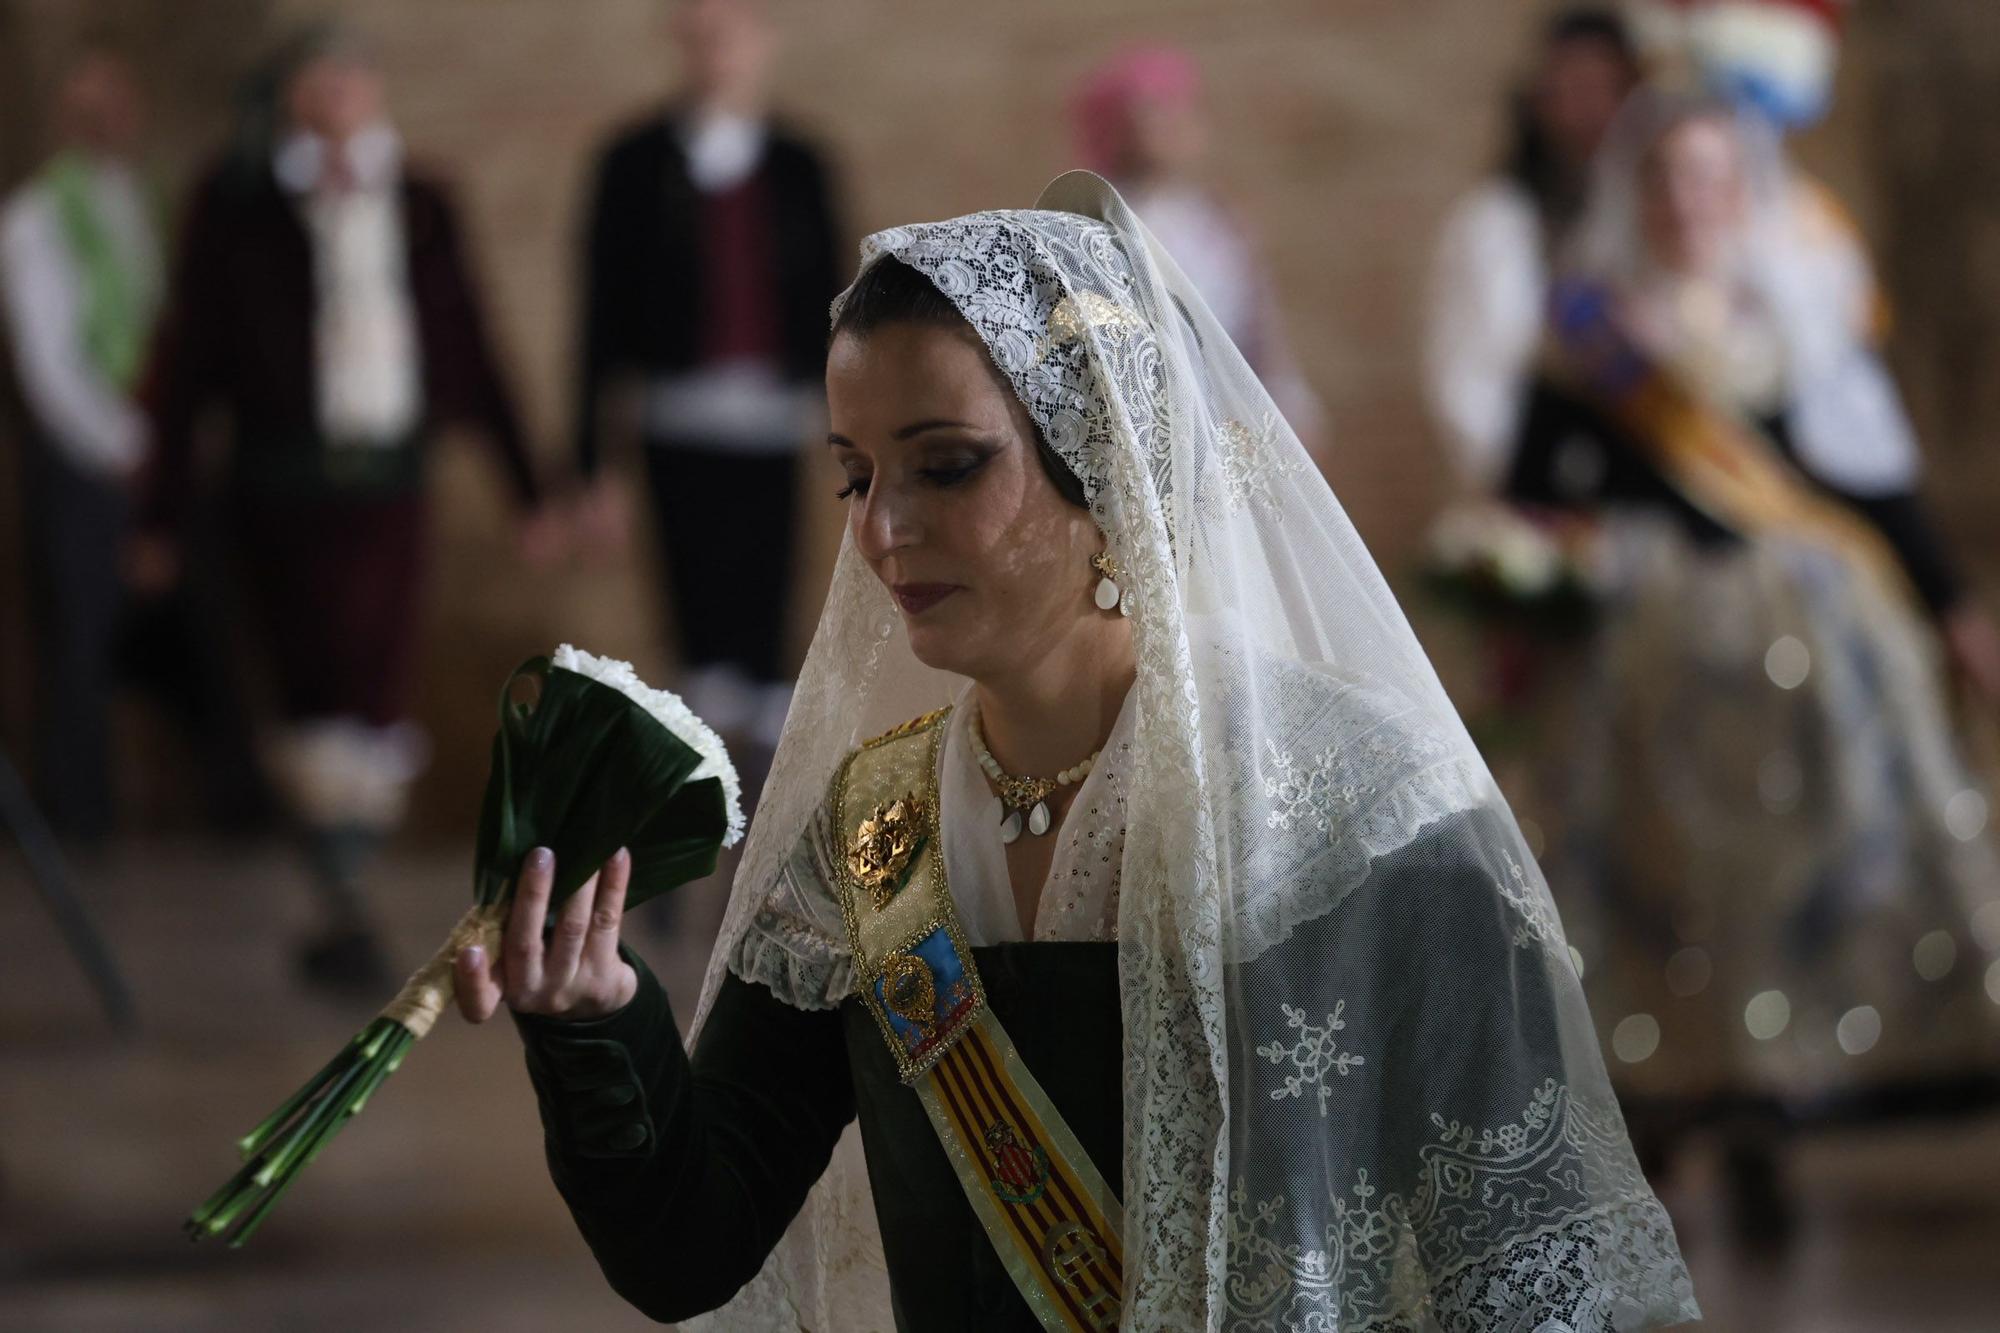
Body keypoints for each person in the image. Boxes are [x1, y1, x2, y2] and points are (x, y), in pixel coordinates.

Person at [455, 173, 1697, 1330]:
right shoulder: (870, 835)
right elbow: (688, 1244)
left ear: (1110, 469)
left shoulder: (1361, 817)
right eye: (853, 476)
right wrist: (593, 1020)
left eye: (945, 466)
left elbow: (1544, 1282)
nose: (883, 532)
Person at [1512, 91, 2000, 1232]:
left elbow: (1872, 481)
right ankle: (1680, 1102)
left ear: (1741, 189)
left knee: (1797, 880)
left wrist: (1953, 610)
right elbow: (1528, 488)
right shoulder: (1588, 325)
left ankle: (1784, 1096)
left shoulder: (1792, 312)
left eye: (1709, 177)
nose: (1688, 202)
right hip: (1647, 648)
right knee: (1665, 890)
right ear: (1636, 193)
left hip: (1810, 648)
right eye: (1666, 179)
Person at [135, 24, 552, 994]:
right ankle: (337, 895)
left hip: (391, 485)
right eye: (318, 84)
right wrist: (154, 514)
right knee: (306, 690)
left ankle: (347, 889)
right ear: (289, 98)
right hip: (280, 487)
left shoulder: (420, 203)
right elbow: (183, 361)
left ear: (372, 93)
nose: (337, 100)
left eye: (351, 81)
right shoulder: (234, 202)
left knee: (378, 688)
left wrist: (529, 490)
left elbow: (473, 348)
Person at [570, 0, 843, 768]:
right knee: (697, 619)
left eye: (735, 31)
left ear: (765, 40)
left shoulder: (800, 164)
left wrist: (855, 436)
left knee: (769, 612)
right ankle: (700, 791)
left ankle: (759, 801)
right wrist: (591, 464)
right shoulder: (634, 163)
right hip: (674, 420)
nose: (719, 49)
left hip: (775, 419)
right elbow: (599, 317)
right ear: (679, 41)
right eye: (702, 33)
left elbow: (837, 304)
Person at [1, 45, 163, 840]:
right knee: (79, 642)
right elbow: (49, 360)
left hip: (155, 452)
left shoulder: (140, 202)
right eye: (90, 108)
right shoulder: (37, 213)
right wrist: (124, 441)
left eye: (118, 104)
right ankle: (78, 818)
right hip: (83, 455)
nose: (109, 122)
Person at [1071, 43, 1325, 459]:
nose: (1178, 123)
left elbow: (1257, 333)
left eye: (1183, 108)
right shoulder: (1102, 226)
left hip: (1232, 428)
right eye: (1158, 110)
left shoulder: (1217, 223)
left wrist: (1290, 410)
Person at [1423, 6, 1642, 490]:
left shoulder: (1645, 220)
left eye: (1611, 90)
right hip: (1536, 483)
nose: (1594, 111)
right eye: (1576, 89)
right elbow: (1465, 381)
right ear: (1541, 99)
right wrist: (1531, 484)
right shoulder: (1494, 225)